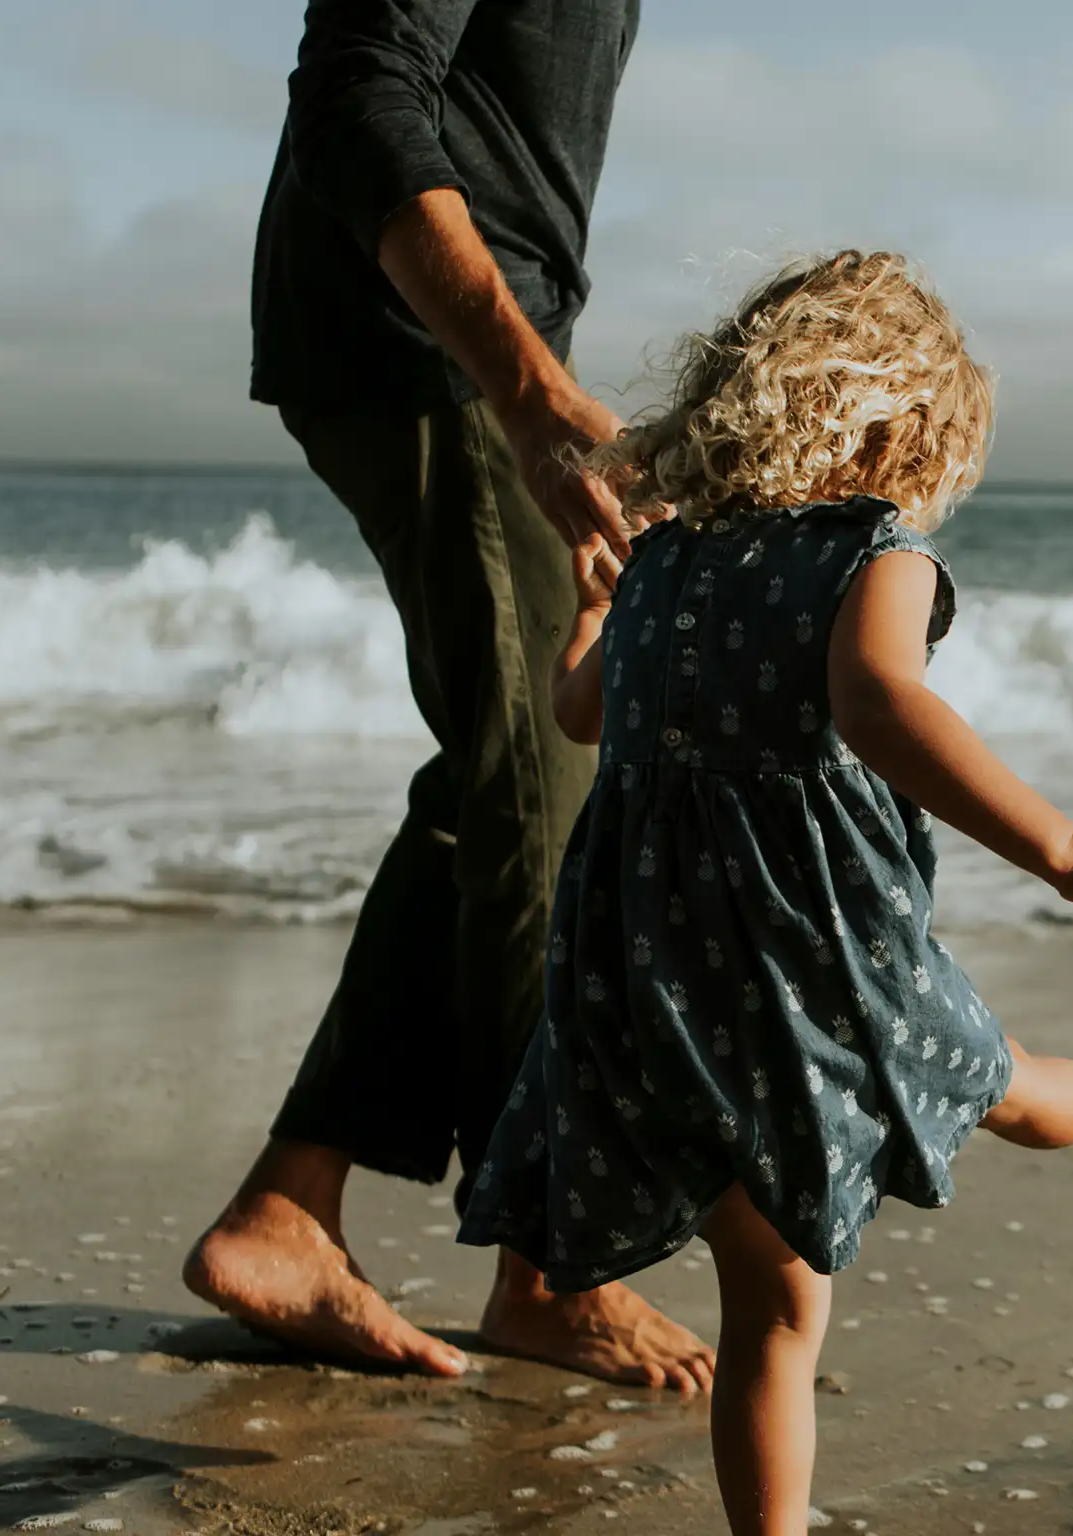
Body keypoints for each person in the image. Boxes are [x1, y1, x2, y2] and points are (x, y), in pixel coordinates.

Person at [456, 250, 1073, 1536]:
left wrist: (591, 615)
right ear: (902, 428)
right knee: (995, 1084)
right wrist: (1068, 851)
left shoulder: (663, 562)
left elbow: (580, 714)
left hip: (661, 981)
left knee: (771, 1306)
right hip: (820, 956)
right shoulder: (874, 553)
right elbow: (881, 703)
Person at [184, 0, 715, 1391]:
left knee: (501, 780)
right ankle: (547, 1267)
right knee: (551, 789)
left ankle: (289, 1207)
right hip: (429, 348)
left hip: (458, 343)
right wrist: (528, 388)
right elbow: (358, 91)